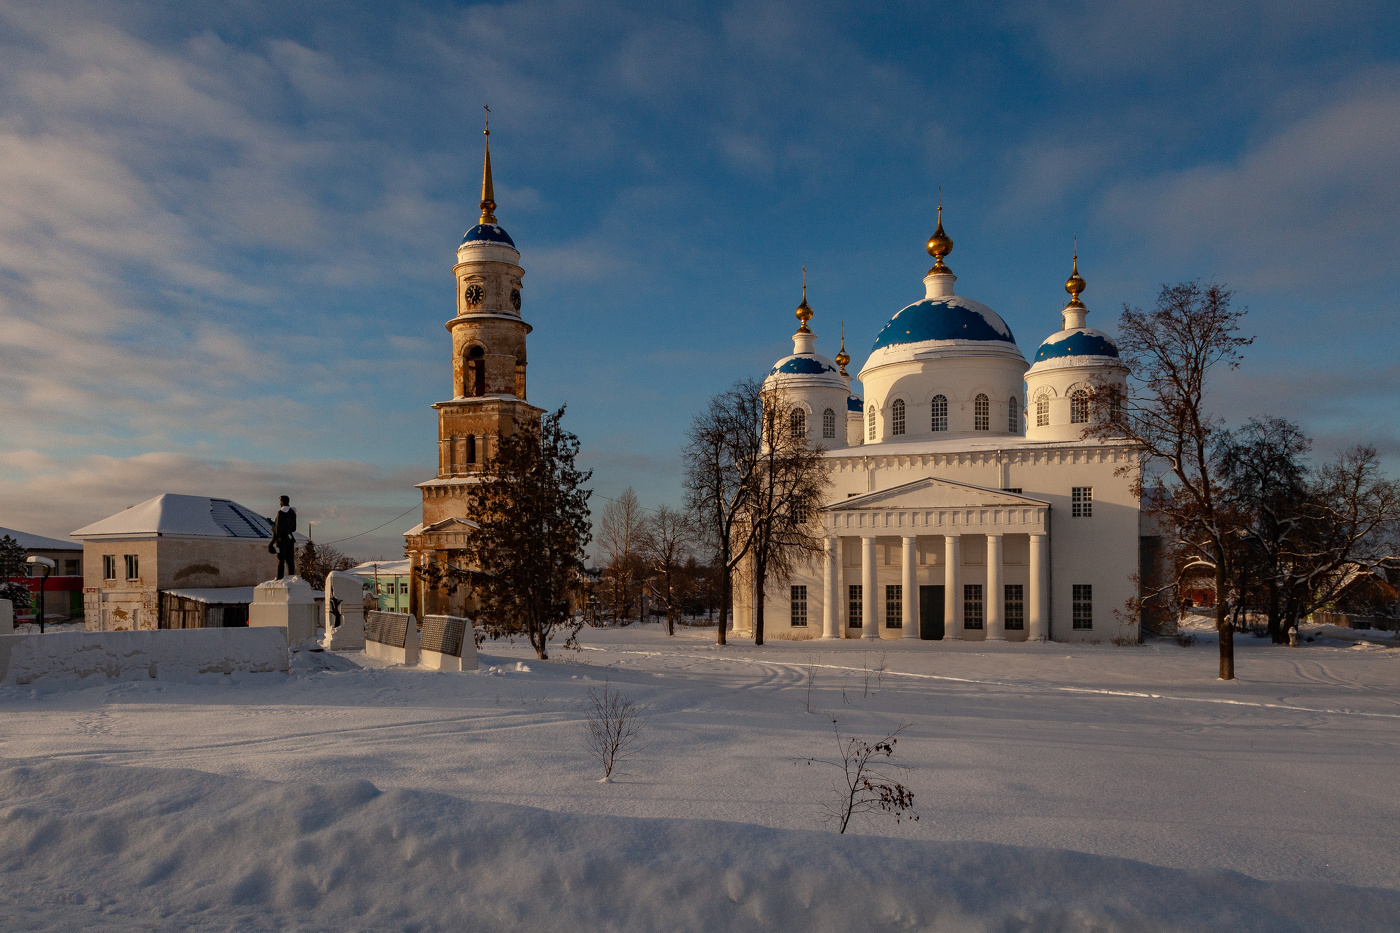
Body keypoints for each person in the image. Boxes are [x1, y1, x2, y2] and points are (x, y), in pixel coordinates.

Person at [269, 495, 298, 579]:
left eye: (280, 501)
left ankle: (279, 578)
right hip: (290, 538)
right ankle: (292, 578)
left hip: (281, 539)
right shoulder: (292, 512)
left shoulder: (280, 513)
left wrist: (273, 541)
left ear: (282, 502)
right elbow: (293, 528)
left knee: (280, 560)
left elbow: (278, 529)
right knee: (290, 561)